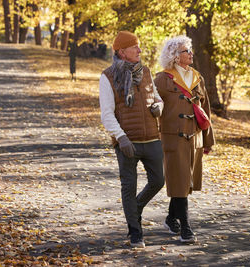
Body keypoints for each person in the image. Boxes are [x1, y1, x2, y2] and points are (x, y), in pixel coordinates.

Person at [99, 31, 165, 248]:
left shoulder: (145, 72)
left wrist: (159, 107)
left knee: (158, 181)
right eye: (134, 47)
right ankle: (135, 232)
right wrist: (121, 138)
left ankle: (134, 209)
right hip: (127, 142)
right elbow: (106, 113)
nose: (139, 50)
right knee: (129, 186)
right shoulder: (108, 76)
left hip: (151, 138)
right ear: (122, 52)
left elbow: (157, 97)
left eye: (139, 46)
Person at [154, 35, 215, 243]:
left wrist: (208, 140)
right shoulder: (162, 79)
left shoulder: (197, 77)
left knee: (185, 183)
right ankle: (186, 227)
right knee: (179, 181)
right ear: (174, 56)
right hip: (173, 138)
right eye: (185, 51)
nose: (190, 54)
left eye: (189, 50)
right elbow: (153, 109)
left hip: (194, 138)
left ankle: (171, 218)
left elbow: (205, 109)